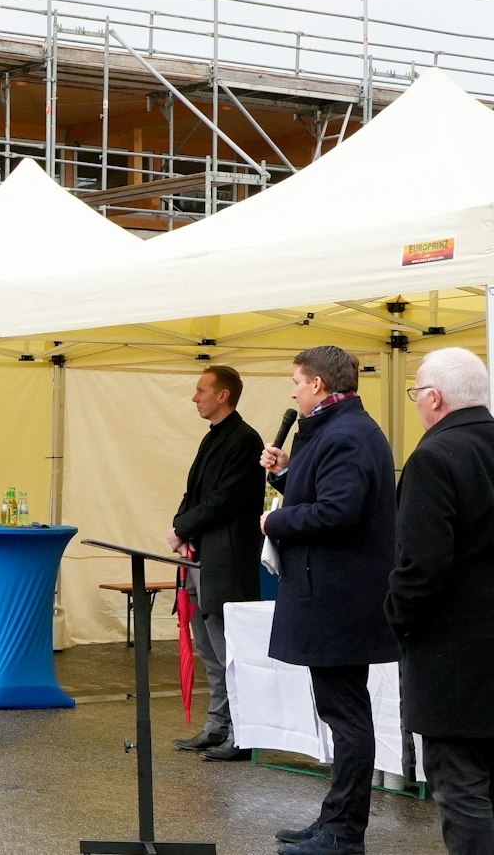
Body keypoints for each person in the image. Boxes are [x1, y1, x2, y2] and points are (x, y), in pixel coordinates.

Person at [259, 345, 397, 855]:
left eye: (297, 380)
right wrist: (284, 475)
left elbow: (338, 511)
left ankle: (343, 833)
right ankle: (334, 820)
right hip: (333, 596)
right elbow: (318, 491)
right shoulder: (337, 431)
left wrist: (276, 520)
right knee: (342, 714)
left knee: (347, 718)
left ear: (317, 384)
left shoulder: (346, 435)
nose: (292, 390)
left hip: (340, 601)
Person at [390, 348, 494, 854]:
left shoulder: (434, 457)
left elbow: (421, 567)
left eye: (416, 393)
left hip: (454, 654)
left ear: (433, 397)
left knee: (462, 786)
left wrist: (398, 619)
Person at [163, 366, 265, 762]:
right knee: (208, 648)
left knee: (228, 649)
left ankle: (242, 733)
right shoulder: (215, 439)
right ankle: (218, 724)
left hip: (226, 559)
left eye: (201, 390)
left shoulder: (244, 440)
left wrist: (183, 527)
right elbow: (196, 493)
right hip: (202, 555)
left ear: (223, 395)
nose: (195, 397)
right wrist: (181, 527)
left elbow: (225, 499)